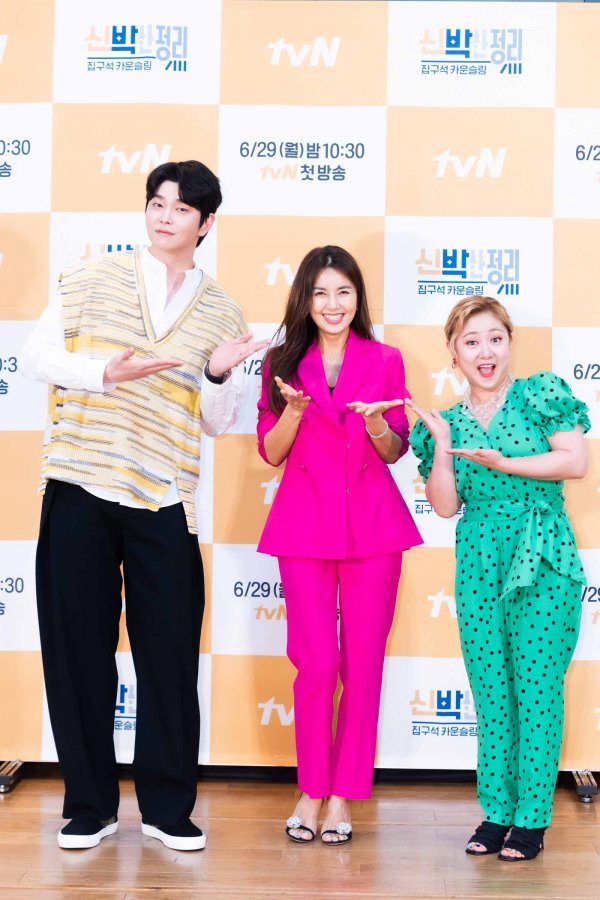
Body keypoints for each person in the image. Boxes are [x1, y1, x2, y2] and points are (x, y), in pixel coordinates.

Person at [21, 160, 267, 851]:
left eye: (182, 209)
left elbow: (218, 420)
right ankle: (89, 805)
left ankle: (166, 807)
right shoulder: (91, 278)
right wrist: (103, 372)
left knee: (169, 656)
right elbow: (35, 356)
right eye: (158, 203)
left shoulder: (221, 312)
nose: (165, 217)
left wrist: (216, 372)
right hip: (80, 483)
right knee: (77, 652)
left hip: (163, 495)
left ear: (206, 223)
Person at [408, 295, 589, 862]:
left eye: (494, 338)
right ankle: (497, 811)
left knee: (537, 688)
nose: (484, 352)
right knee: (490, 689)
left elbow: (575, 461)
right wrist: (443, 450)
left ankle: (531, 818)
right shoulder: (447, 423)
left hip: (543, 552)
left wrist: (504, 462)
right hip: (479, 559)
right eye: (471, 342)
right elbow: (444, 506)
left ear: (509, 343)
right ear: (453, 352)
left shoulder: (540, 395)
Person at [256, 245, 422, 844]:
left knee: (363, 663)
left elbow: (395, 449)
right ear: (305, 299)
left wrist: (377, 423)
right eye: (321, 293)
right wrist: (294, 412)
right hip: (303, 526)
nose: (333, 304)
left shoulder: (385, 358)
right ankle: (311, 788)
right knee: (316, 663)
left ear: (358, 298)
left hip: (373, 527)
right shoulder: (281, 361)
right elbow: (271, 451)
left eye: (343, 292)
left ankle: (344, 796)